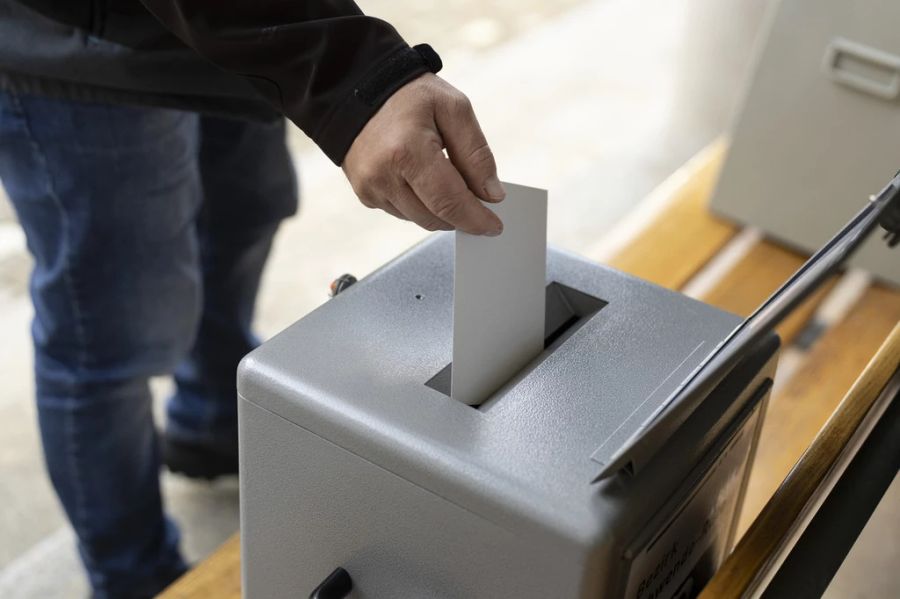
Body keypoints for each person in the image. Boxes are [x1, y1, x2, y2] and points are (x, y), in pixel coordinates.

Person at [0, 1, 506, 597]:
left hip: (226, 33)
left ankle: (213, 419)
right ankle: (134, 575)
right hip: (79, 39)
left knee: (244, 214)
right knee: (109, 334)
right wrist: (355, 78)